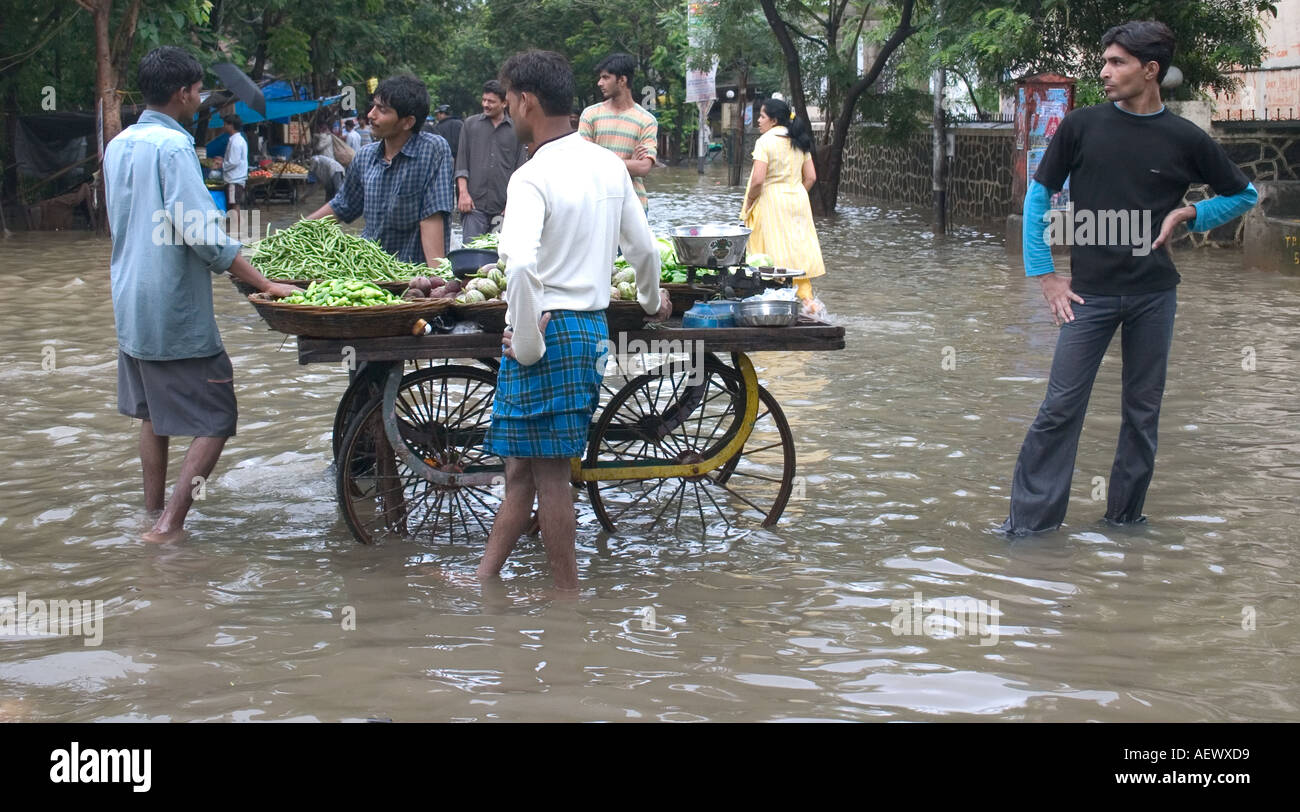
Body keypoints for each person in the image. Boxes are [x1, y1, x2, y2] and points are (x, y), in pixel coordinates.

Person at [1000, 21, 1258, 536]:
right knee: (1059, 409)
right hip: (1086, 295)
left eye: (1117, 62)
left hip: (1154, 296)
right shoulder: (1082, 126)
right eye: (1105, 61)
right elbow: (1039, 197)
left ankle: (1124, 524)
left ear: (1150, 70)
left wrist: (1189, 215)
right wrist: (1046, 275)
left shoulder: (1185, 137)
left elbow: (1243, 195)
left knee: (1142, 416)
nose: (1105, 71)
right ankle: (1029, 530)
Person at [478, 50, 672, 591]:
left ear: (526, 101)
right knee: (523, 470)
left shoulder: (532, 175)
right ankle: (484, 580)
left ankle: (566, 598)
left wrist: (529, 346)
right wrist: (654, 301)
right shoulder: (608, 165)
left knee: (551, 477)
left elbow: (517, 267)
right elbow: (646, 252)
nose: (510, 110)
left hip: (546, 331)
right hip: (588, 331)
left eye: (510, 99)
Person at [103, 47, 299, 544]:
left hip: (129, 296)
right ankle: (169, 526)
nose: (199, 98)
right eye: (195, 90)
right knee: (217, 415)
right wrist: (265, 282)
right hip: (171, 303)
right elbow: (203, 235)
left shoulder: (120, 143)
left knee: (155, 414)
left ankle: (152, 513)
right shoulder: (173, 149)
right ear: (181, 93)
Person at [305, 74, 455, 264]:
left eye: (382, 110)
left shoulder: (432, 149)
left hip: (412, 273)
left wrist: (437, 280)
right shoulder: (365, 156)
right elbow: (343, 205)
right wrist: (297, 232)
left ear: (408, 122)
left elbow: (431, 216)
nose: (370, 115)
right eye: (373, 106)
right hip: (369, 270)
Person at [740, 98, 826, 308]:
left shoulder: (765, 141)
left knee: (768, 252)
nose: (758, 121)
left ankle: (774, 302)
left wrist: (750, 200)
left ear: (774, 120)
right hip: (798, 200)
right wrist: (795, 193)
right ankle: (808, 301)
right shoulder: (798, 138)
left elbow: (758, 180)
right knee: (796, 250)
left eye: (762, 116)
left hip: (770, 201)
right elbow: (811, 177)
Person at [577, 53, 657, 211]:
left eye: (606, 78)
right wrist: (629, 163)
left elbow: (643, 168)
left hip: (634, 205)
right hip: (597, 205)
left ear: (622, 80)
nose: (599, 83)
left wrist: (600, 161)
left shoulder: (646, 120)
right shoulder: (590, 115)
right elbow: (583, 164)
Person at [455, 80, 529, 241]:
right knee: (471, 255)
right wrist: (463, 193)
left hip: (503, 208)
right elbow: (461, 163)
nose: (486, 105)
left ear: (504, 103)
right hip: (474, 205)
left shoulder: (516, 130)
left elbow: (520, 169)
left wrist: (512, 203)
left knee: (499, 257)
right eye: (484, 100)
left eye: (491, 101)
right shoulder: (470, 125)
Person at [218, 114, 248, 224]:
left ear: (231, 125)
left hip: (234, 179)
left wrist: (222, 165)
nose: (224, 126)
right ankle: (236, 230)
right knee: (234, 206)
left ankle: (237, 231)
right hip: (235, 178)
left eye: (225, 124)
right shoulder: (237, 140)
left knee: (234, 206)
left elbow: (234, 162)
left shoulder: (236, 142)